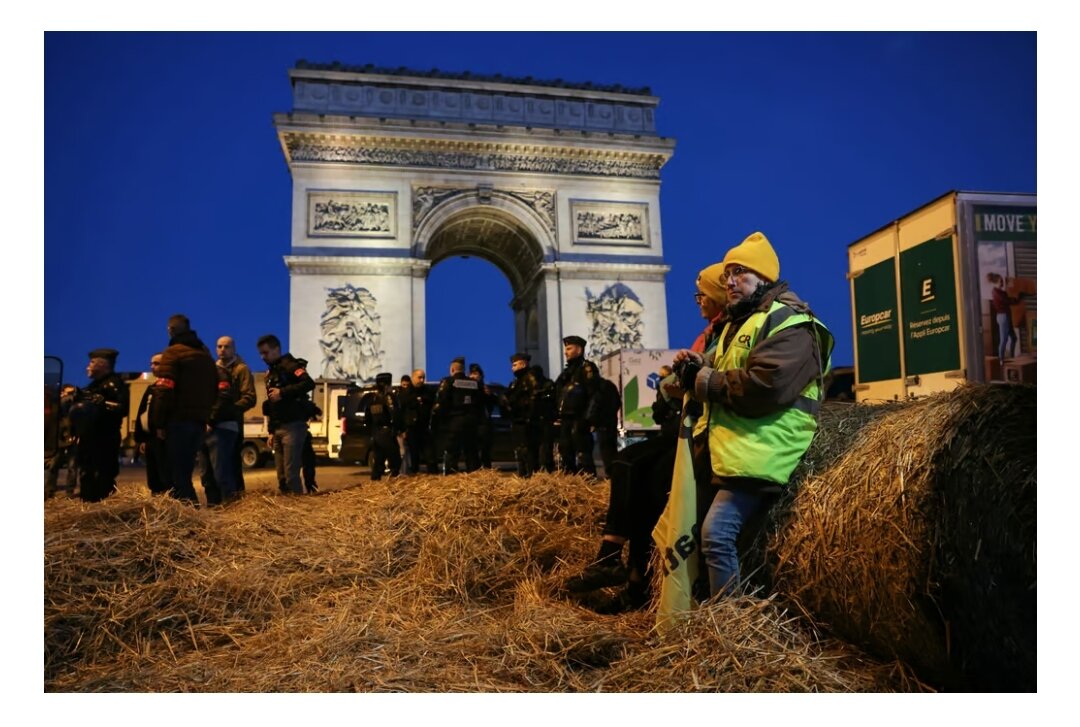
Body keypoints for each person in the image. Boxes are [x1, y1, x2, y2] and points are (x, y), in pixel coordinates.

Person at [673, 231, 833, 597]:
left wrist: (705, 382)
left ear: (765, 277)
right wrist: (698, 363)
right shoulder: (739, 322)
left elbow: (766, 387)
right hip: (736, 447)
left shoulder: (792, 323)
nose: (729, 281)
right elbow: (725, 367)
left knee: (716, 535)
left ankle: (729, 629)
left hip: (766, 447)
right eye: (728, 273)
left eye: (740, 272)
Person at [564, 262, 726, 611]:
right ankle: (622, 571)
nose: (697, 301)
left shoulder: (724, 333)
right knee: (631, 472)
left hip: (703, 433)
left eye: (703, 294)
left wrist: (677, 381)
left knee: (634, 475)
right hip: (686, 427)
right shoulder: (712, 333)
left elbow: (680, 383)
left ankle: (619, 566)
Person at [151, 315, 218, 505]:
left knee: (176, 476)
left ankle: (189, 517)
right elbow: (214, 388)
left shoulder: (173, 354)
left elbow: (163, 391)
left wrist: (158, 422)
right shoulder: (205, 355)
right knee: (185, 472)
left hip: (177, 422)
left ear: (171, 330)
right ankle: (191, 515)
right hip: (198, 423)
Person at [257, 333, 316, 495]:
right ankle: (287, 510)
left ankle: (298, 509)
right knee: (282, 477)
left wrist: (283, 392)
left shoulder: (290, 365)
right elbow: (271, 405)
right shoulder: (271, 373)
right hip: (278, 428)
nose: (263, 357)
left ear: (276, 349)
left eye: (266, 352)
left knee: (291, 475)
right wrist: (270, 431)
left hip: (293, 427)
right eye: (261, 353)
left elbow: (309, 383)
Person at [68, 350, 128, 502]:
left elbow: (122, 408)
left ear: (102, 364)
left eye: (92, 363)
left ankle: (100, 507)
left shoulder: (113, 383)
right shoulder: (93, 385)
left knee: (102, 475)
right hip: (90, 438)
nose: (88, 367)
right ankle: (88, 503)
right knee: (87, 473)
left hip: (104, 438)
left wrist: (102, 403)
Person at [213, 336, 257, 495]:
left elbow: (250, 397)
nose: (222, 350)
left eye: (226, 347)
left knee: (230, 467)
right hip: (212, 424)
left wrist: (229, 411)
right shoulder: (212, 369)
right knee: (211, 472)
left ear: (234, 349)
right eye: (219, 346)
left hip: (231, 425)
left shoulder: (241, 369)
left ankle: (235, 503)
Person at [554, 335, 601, 475]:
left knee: (583, 456)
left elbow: (594, 395)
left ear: (579, 350)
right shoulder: (566, 372)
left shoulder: (587, 368)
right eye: (565, 349)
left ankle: (587, 485)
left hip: (580, 419)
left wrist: (588, 419)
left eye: (569, 348)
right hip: (566, 420)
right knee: (566, 454)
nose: (565, 352)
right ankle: (570, 484)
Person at [431, 357, 481, 473]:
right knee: (472, 454)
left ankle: (451, 480)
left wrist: (435, 423)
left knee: (452, 453)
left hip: (453, 423)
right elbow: (479, 403)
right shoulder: (474, 383)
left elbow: (440, 404)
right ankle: (474, 481)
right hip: (471, 423)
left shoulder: (448, 382)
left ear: (452, 369)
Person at [134, 354, 170, 495]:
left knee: (165, 476)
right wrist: (141, 438)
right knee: (153, 477)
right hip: (150, 439)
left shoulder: (170, 387)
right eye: (151, 363)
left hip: (163, 438)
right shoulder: (152, 388)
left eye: (157, 363)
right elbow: (142, 413)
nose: (152, 367)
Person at [502, 353, 541, 478]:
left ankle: (530, 475)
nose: (512, 368)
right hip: (518, 420)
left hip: (527, 421)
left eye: (515, 365)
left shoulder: (530, 378)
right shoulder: (516, 382)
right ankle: (523, 475)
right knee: (520, 451)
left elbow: (535, 398)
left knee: (528, 450)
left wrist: (528, 413)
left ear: (523, 364)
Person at [364, 372, 402, 480]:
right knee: (395, 460)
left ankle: (375, 483)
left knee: (378, 461)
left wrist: (372, 432)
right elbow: (395, 414)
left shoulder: (372, 399)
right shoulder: (388, 397)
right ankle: (394, 484)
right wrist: (399, 428)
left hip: (376, 434)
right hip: (387, 432)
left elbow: (367, 418)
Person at [45, 384, 79, 498]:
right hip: (58, 440)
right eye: (68, 393)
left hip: (72, 439)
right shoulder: (57, 405)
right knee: (53, 466)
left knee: (72, 467)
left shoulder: (75, 407)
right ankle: (49, 491)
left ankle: (70, 492)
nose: (71, 396)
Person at [401, 369, 435, 474]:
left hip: (425, 428)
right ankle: (413, 476)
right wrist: (403, 430)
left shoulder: (428, 391)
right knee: (413, 456)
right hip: (412, 429)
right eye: (419, 377)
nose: (422, 380)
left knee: (430, 456)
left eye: (423, 377)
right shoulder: (405, 393)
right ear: (413, 377)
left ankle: (433, 476)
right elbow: (401, 412)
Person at [594, 377, 622, 478]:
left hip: (603, 423)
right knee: (611, 447)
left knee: (605, 448)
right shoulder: (610, 385)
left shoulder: (598, 389)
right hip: (611, 422)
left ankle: (610, 472)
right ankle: (615, 471)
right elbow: (618, 402)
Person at [987, 272, 1018, 365]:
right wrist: (1015, 300)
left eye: (1002, 281)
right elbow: (1006, 301)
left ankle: (1012, 357)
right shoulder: (996, 292)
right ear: (996, 282)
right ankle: (1001, 360)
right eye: (1000, 281)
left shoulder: (1000, 292)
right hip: (1003, 316)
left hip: (1006, 316)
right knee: (1004, 339)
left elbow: (1008, 298)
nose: (1002, 283)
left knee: (1013, 338)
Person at [531, 364, 557, 472]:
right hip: (535, 421)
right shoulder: (531, 386)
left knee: (545, 449)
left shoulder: (547, 384)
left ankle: (546, 469)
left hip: (545, 420)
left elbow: (551, 398)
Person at [469, 363, 495, 469]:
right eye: (471, 374)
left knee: (485, 452)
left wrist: (488, 395)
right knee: (472, 452)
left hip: (483, 424)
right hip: (471, 424)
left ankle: (486, 471)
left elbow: (492, 404)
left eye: (476, 374)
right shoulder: (467, 388)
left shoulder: (485, 389)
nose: (473, 376)